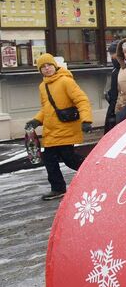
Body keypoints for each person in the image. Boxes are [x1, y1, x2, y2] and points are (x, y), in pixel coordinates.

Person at [25, 54, 93, 200]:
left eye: (48, 65)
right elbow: (46, 108)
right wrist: (36, 120)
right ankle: (58, 188)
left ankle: (94, 173)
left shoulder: (65, 81)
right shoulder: (43, 86)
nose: (47, 68)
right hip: (51, 130)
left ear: (54, 65)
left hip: (66, 127)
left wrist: (86, 120)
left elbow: (82, 100)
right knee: (50, 159)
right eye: (43, 67)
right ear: (40, 70)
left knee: (69, 159)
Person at [103, 40, 120, 134]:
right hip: (114, 105)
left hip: (119, 106)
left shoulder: (124, 69)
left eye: (114, 54)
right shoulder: (115, 69)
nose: (112, 57)